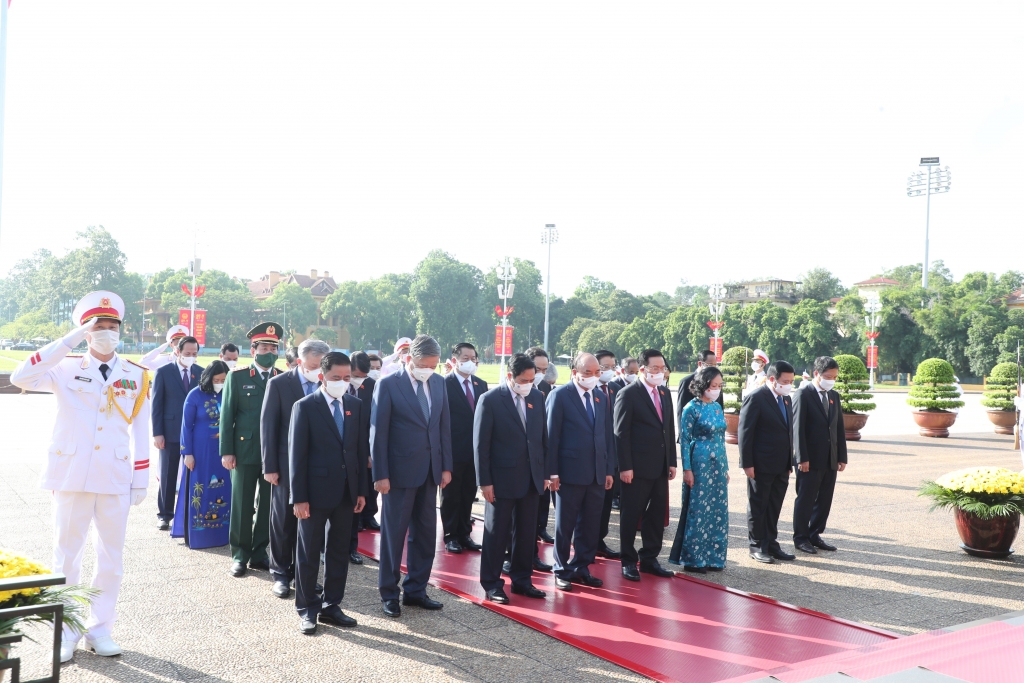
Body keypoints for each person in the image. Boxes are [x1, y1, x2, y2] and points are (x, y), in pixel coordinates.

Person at [11, 291, 150, 662]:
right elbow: (21, 376)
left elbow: (141, 429)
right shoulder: (65, 367)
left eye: (111, 326)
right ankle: (66, 631)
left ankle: (100, 630)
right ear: (85, 332)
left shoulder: (135, 375)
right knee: (66, 558)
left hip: (115, 476)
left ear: (121, 330)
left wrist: (141, 477)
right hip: (71, 475)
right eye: (97, 327)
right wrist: (71, 338)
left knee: (111, 560)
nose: (105, 332)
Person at [371, 334, 452, 617]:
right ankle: (389, 593)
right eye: (423, 364)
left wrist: (446, 466)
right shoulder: (388, 385)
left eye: (433, 365)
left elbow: (443, 427)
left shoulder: (439, 382)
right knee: (394, 536)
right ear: (409, 359)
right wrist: (380, 474)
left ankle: (416, 590)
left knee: (426, 534)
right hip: (398, 473)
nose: (427, 370)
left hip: (430, 472)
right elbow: (378, 433)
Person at [290, 352, 369, 634]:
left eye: (347, 378)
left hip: (347, 492)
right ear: (322, 376)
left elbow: (359, 451)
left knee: (338, 552)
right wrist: (298, 497)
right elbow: (296, 456)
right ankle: (307, 608)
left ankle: (332, 605)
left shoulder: (355, 405)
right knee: (308, 552)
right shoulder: (305, 406)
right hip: (313, 493)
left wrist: (361, 490)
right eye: (336, 378)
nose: (342, 383)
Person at [475, 353, 550, 604]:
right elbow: (481, 445)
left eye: (532, 379)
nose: (528, 383)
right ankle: (492, 583)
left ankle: (522, 580)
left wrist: (546, 473)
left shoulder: (537, 398)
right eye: (523, 379)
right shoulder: (490, 400)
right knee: (496, 533)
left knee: (527, 533)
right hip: (501, 479)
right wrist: (484, 482)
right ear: (510, 376)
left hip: (531, 478)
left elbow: (541, 439)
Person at [261, 338, 330, 598]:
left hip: (318, 467)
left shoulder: (329, 384)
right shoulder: (279, 384)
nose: (318, 371)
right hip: (285, 464)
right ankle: (280, 573)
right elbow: (268, 426)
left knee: (311, 525)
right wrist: (270, 466)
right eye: (314, 365)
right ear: (300, 362)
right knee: (283, 521)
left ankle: (305, 575)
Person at [220, 322, 284, 578]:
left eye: (273, 347)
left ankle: (259, 552)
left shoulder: (282, 377)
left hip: (274, 456)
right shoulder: (237, 377)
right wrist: (227, 451)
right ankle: (240, 555)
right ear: (253, 349)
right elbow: (227, 416)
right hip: (244, 451)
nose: (269, 351)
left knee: (269, 506)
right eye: (265, 346)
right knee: (242, 506)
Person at [546, 353, 614, 592]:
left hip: (596, 473)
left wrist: (608, 469)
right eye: (588, 372)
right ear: (574, 372)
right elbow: (551, 437)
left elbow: (606, 436)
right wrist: (552, 472)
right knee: (565, 526)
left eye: (597, 372)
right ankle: (561, 568)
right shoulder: (559, 396)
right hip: (568, 473)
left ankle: (581, 567)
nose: (593, 377)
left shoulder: (600, 397)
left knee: (590, 525)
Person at [614, 349, 677, 582]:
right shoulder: (628, 394)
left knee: (656, 514)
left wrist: (671, 461)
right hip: (636, 467)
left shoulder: (664, 392)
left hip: (660, 466)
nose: (659, 373)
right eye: (654, 369)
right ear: (642, 369)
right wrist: (625, 466)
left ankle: (650, 558)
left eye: (662, 369)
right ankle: (628, 561)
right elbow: (621, 433)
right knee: (631, 514)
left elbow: (668, 429)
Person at [669, 366, 729, 572]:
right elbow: (684, 441)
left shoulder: (716, 407)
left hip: (718, 464)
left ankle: (714, 556)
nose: (717, 389)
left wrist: (726, 467)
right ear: (703, 385)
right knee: (699, 509)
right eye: (714, 386)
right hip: (699, 462)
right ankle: (694, 558)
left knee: (717, 510)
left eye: (720, 386)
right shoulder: (690, 408)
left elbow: (721, 439)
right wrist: (687, 469)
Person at [739, 360, 796, 564]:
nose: (788, 384)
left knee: (774, 506)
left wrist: (790, 462)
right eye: (785, 381)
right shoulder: (756, 398)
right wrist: (747, 463)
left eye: (791, 381)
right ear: (772, 379)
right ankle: (756, 546)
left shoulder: (786, 399)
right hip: (760, 464)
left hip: (781, 465)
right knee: (758, 506)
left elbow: (788, 431)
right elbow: (745, 432)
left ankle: (771, 543)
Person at [172, 360, 232, 548]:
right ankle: (199, 533)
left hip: (225, 451)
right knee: (200, 488)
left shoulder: (229, 394)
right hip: (200, 451)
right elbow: (186, 426)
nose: (220, 382)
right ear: (208, 378)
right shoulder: (195, 395)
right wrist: (187, 453)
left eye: (224, 379)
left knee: (224, 489)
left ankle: (223, 533)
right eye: (217, 379)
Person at [792, 356, 847, 554]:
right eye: (827, 376)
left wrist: (842, 456)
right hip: (810, 459)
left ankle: (815, 534)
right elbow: (797, 430)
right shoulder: (802, 394)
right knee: (806, 498)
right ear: (816, 374)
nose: (831, 380)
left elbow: (838, 428)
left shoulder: (834, 395)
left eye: (834, 377)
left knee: (824, 499)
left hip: (830, 457)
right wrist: (801, 458)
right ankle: (801, 537)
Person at [151, 335, 202, 531]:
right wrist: (158, 433)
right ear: (178, 351)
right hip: (170, 432)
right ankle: (164, 515)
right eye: (187, 353)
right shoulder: (164, 372)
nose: (191, 357)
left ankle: (190, 513)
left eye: (195, 354)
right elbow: (157, 404)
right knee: (168, 475)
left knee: (192, 475)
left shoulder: (201, 372)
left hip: (194, 433)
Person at [441, 342, 487, 553]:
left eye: (473, 358)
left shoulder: (481, 384)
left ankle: (464, 533)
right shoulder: (444, 384)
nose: (470, 362)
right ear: (455, 360)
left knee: (469, 493)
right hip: (452, 450)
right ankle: (451, 535)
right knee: (451, 496)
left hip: (474, 452)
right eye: (465, 358)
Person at [525, 347, 556, 560]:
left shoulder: (546, 387)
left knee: (543, 496)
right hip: (523, 456)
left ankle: (541, 528)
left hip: (543, 451)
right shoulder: (514, 387)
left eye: (544, 369)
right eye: (537, 369)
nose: (541, 374)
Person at [349, 350, 379, 563]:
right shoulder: (337, 385)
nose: (360, 380)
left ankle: (352, 548)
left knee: (362, 493)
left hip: (363, 451)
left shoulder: (372, 386)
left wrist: (370, 452)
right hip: (339, 452)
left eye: (363, 376)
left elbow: (375, 422)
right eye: (356, 375)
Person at [594, 349, 621, 560]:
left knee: (605, 503)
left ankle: (599, 540)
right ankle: (585, 542)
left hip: (610, 455)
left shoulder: (613, 389)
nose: (609, 371)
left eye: (613, 367)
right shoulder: (586, 389)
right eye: (605, 367)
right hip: (589, 457)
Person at [675, 350, 723, 430]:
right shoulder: (687, 381)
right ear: (700, 364)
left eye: (715, 365)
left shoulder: (717, 380)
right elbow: (681, 411)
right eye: (710, 365)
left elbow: (720, 406)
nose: (713, 368)